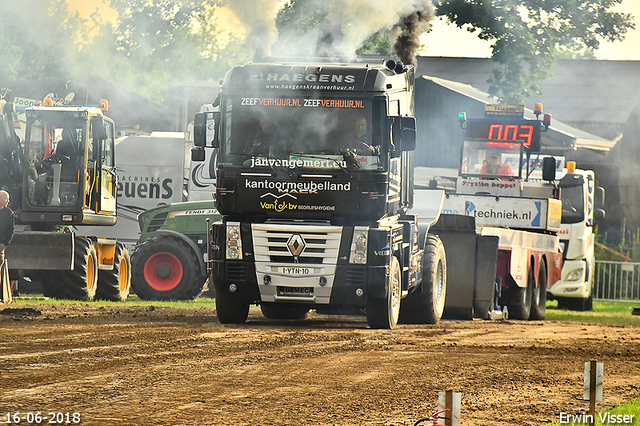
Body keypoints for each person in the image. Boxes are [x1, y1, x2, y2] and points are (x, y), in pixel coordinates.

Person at [0, 190, 15, 302]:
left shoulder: (9, 213)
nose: (8, 201)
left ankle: (1, 296)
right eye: (6, 199)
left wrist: (4, 243)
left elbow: (11, 230)